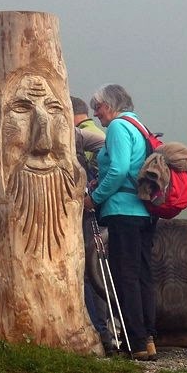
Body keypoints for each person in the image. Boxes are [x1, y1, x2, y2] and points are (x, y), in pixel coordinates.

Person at [85, 84, 155, 361]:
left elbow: (119, 168)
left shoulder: (116, 127)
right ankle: (148, 338)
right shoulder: (139, 125)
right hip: (144, 210)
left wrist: (96, 197)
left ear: (111, 105)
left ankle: (134, 341)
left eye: (99, 106)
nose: (96, 113)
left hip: (122, 210)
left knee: (124, 275)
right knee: (142, 275)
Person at [72, 96, 113, 353]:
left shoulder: (79, 133)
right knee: (95, 268)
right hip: (97, 206)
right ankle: (108, 330)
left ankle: (100, 329)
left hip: (86, 206)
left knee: (88, 270)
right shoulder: (93, 133)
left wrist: (94, 192)